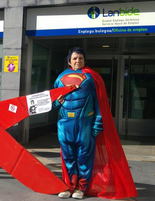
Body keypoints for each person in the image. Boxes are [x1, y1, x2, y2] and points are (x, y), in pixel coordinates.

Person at [53, 47, 137, 199]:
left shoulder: (91, 77)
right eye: (75, 58)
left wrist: (97, 124)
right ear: (69, 61)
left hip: (85, 123)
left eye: (80, 58)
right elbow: (54, 103)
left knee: (84, 157)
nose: (78, 61)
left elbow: (100, 102)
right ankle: (68, 186)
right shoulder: (60, 78)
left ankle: (81, 188)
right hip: (65, 124)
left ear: (84, 60)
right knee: (68, 157)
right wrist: (57, 103)